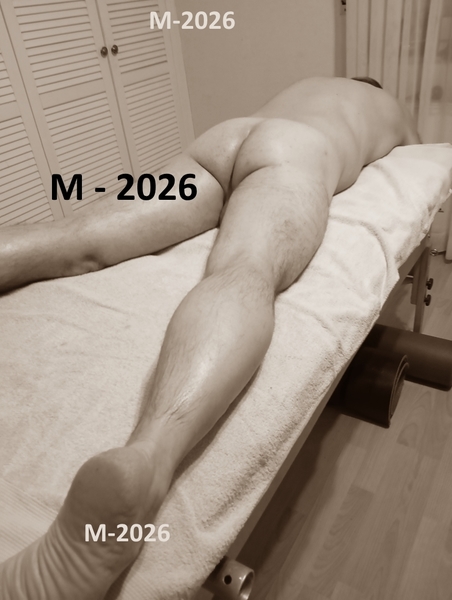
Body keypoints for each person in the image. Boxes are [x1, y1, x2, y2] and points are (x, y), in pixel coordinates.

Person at [0, 76, 420, 599]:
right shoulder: (384, 104)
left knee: (77, 237)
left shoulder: (307, 84)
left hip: (222, 142)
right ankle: (148, 461)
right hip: (293, 151)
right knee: (245, 267)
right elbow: (418, 158)